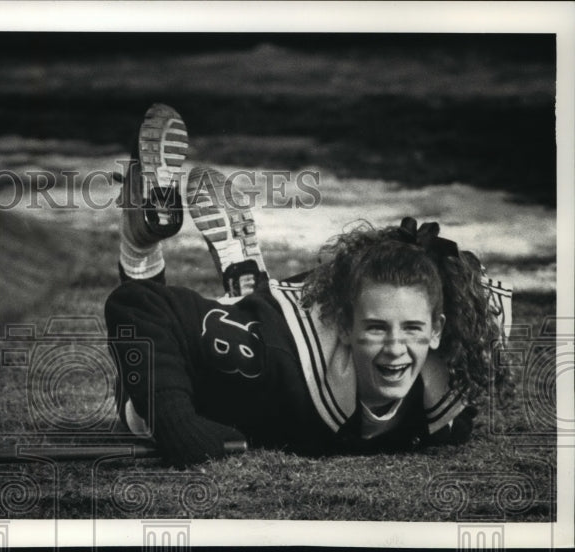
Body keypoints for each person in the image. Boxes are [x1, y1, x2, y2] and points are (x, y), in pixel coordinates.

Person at [106, 104, 513, 466]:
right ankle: (141, 245)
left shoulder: (448, 412)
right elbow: (137, 306)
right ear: (347, 324)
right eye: (376, 328)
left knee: (278, 307)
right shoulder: (278, 361)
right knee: (138, 414)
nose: (394, 348)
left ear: (437, 330)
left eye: (412, 329)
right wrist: (174, 421)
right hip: (207, 374)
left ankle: (246, 281)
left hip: (287, 343)